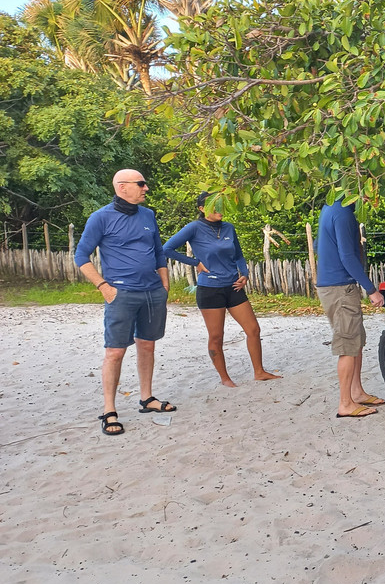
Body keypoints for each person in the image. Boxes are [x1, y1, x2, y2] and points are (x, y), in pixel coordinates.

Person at [75, 169, 176, 436]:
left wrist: (164, 284)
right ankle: (109, 410)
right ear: (122, 187)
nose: (146, 189)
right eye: (141, 184)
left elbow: (158, 252)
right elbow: (81, 257)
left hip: (152, 292)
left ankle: (147, 398)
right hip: (121, 294)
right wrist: (104, 287)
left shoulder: (148, 215)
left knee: (147, 345)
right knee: (115, 352)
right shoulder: (100, 218)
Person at [163, 193, 281, 388]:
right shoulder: (194, 228)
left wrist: (245, 273)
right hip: (210, 289)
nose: (219, 210)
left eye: (221, 205)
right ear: (202, 208)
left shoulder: (229, 228)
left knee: (253, 329)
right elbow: (166, 249)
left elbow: (238, 255)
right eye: (214, 206)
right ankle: (225, 378)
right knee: (217, 336)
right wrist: (195, 263)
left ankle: (259, 372)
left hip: (233, 286)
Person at [316, 197, 385, 418]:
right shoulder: (344, 213)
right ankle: (345, 404)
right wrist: (371, 289)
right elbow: (347, 256)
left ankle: (356, 392)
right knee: (347, 344)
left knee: (356, 341)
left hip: (336, 285)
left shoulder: (330, 207)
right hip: (340, 287)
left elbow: (321, 246)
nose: (371, 197)